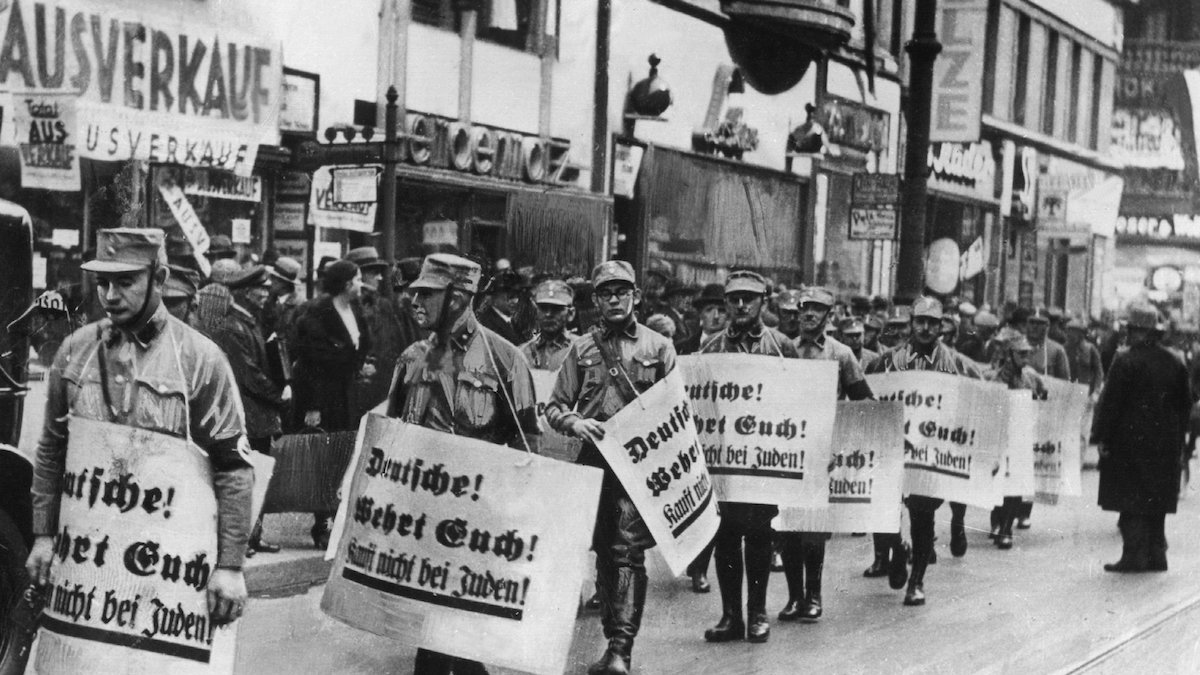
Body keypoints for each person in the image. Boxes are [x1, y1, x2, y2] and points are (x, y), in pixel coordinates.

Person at [26, 228, 253, 628]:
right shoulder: (75, 351)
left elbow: (232, 466)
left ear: (160, 279)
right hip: (87, 562)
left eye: (125, 282)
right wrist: (43, 536)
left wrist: (230, 565)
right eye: (102, 282)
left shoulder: (201, 360)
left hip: (170, 568)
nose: (110, 295)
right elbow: (51, 450)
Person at [386, 254, 540, 675]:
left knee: (461, 630)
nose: (414, 301)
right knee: (435, 629)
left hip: (480, 517)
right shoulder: (414, 358)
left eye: (427, 293)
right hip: (423, 514)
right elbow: (395, 434)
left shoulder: (505, 359)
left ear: (459, 297)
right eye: (414, 292)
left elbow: (529, 445)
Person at [546, 261, 676, 675]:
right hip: (592, 463)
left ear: (636, 296)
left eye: (622, 291)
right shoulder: (581, 349)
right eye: (606, 293)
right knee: (602, 552)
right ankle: (612, 646)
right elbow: (553, 406)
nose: (615, 299)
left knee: (626, 553)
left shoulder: (658, 348)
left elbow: (678, 414)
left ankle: (621, 649)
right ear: (596, 301)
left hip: (637, 466)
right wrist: (574, 422)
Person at [697, 271, 798, 645]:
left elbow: (801, 402)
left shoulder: (781, 346)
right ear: (725, 302)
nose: (741, 305)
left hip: (763, 459)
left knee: (758, 535)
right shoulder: (710, 351)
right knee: (724, 536)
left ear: (763, 303)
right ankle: (730, 616)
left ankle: (757, 613)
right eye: (734, 298)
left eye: (749, 299)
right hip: (723, 459)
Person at [866, 297, 982, 606]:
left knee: (922, 516)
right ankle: (896, 549)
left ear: (942, 325)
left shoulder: (957, 364)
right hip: (894, 449)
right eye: (920, 321)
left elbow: (981, 397)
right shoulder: (888, 361)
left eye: (933, 322)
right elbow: (869, 398)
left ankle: (916, 580)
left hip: (932, 454)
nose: (926, 328)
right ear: (911, 322)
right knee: (885, 511)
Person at [780, 286, 873, 622]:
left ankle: (814, 595)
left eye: (817, 309)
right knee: (787, 528)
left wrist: (844, 443)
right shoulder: (783, 348)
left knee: (813, 531)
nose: (808, 314)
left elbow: (863, 401)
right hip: (786, 449)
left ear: (828, 315)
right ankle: (793, 598)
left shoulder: (841, 354)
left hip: (823, 452)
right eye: (804, 308)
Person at [1092, 302, 1191, 572]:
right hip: (1165, 446)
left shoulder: (1125, 360)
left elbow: (1111, 404)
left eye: (1132, 330)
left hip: (1130, 445)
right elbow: (1185, 404)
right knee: (1156, 503)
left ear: (1138, 331)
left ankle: (1134, 556)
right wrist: (1177, 438)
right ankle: (1157, 555)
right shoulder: (1175, 361)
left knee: (1131, 502)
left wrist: (1102, 437)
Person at [201, 266, 290, 556]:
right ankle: (243, 538)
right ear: (246, 292)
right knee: (246, 475)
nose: (266, 294)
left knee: (257, 473)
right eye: (261, 289)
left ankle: (253, 535)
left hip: (256, 413)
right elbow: (247, 374)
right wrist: (278, 395)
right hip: (247, 412)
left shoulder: (247, 321)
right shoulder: (234, 326)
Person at [292, 259, 373, 548]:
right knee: (325, 459)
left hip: (348, 394)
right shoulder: (318, 312)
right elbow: (309, 362)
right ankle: (323, 522)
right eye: (358, 279)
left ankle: (339, 518)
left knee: (344, 456)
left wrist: (360, 366)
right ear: (346, 283)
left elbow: (360, 347)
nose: (362, 284)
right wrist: (312, 406)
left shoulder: (355, 311)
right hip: (323, 396)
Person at [985, 329, 1047, 549]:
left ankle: (1006, 528)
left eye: (1027, 354)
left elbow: (1044, 394)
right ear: (1009, 354)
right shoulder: (993, 377)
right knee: (997, 482)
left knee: (1015, 483)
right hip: (997, 437)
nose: (1025, 358)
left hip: (1020, 437)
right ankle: (996, 521)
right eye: (1020, 354)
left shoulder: (1031, 377)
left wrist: (1038, 399)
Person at [520, 279, 579, 371]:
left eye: (556, 309)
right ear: (536, 312)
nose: (548, 314)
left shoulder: (581, 349)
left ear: (570, 314)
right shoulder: (523, 353)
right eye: (543, 308)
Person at [478, 268, 526, 346]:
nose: (515, 301)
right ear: (494, 296)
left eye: (517, 295)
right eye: (510, 296)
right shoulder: (485, 323)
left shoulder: (514, 324)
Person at [678, 283, 727, 354]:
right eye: (709, 310)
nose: (716, 316)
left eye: (721, 310)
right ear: (700, 313)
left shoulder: (737, 347)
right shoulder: (682, 348)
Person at [1065, 318, 1104, 395]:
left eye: (1074, 332)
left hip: (1086, 390)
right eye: (1069, 331)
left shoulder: (1090, 349)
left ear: (1081, 334)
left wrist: (1096, 390)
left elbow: (1098, 371)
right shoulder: (1064, 349)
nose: (1070, 335)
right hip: (1068, 390)